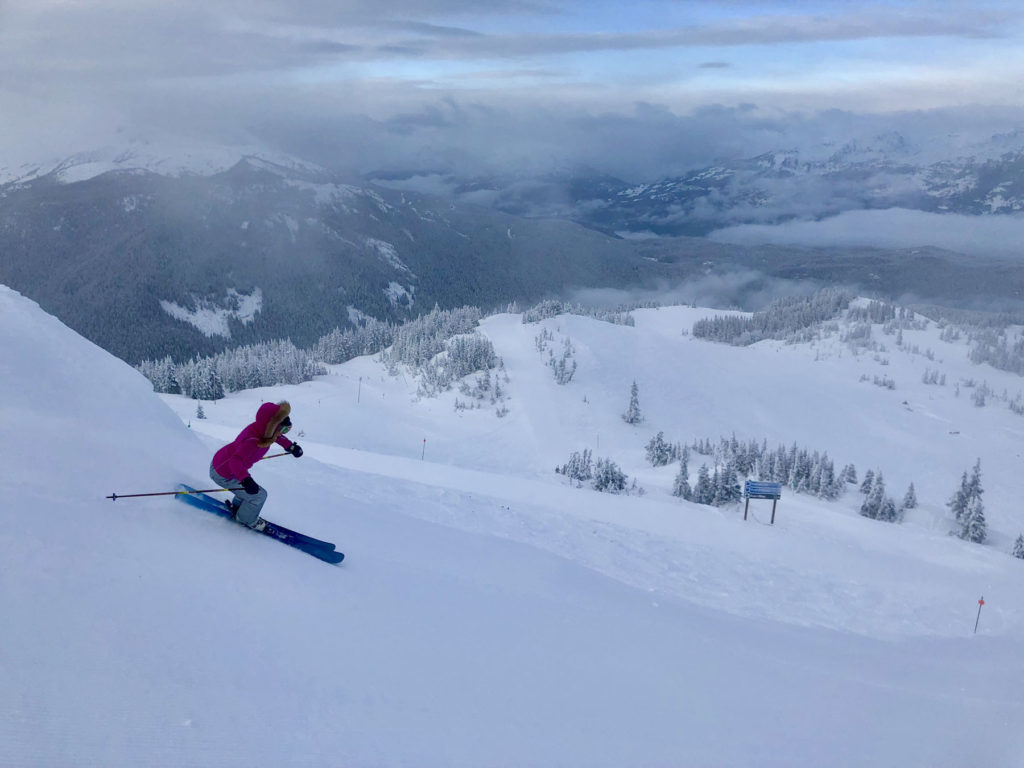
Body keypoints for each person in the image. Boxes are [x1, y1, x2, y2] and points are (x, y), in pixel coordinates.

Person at [210, 400, 303, 530]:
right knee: (259, 496)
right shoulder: (252, 440)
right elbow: (235, 461)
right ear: (271, 426)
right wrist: (246, 480)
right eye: (282, 429)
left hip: (227, 466)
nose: (282, 432)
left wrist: (290, 447)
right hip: (223, 472)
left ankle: (239, 507)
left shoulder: (264, 431)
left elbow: (277, 436)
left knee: (250, 491)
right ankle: (246, 519)